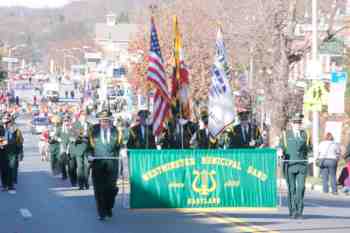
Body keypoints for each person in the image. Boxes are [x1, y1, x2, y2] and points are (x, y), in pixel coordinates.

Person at [88, 109, 122, 220]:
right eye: (102, 121)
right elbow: (89, 146)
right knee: (99, 190)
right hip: (98, 164)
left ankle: (108, 208)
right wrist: (89, 155)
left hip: (112, 164)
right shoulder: (93, 131)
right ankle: (101, 213)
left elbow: (119, 146)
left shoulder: (116, 131)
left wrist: (123, 152)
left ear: (110, 121)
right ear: (99, 121)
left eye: (107, 121)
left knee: (111, 189)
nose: (104, 123)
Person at [278, 113, 311, 219]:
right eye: (295, 123)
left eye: (299, 123)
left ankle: (300, 211)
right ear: (292, 124)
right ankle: (292, 211)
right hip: (290, 165)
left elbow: (309, 149)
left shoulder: (305, 134)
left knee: (301, 188)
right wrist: (280, 151)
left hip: (302, 165)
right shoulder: (285, 134)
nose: (297, 125)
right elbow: (280, 146)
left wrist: (312, 156)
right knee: (292, 189)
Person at [2, 113, 23, 191]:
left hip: (12, 152)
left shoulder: (15, 130)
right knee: (3, 169)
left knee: (11, 168)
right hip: (2, 152)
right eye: (4, 121)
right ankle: (4, 185)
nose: (6, 123)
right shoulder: (1, 128)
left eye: (7, 121)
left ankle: (10, 185)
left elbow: (18, 141)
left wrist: (21, 152)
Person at [69, 124, 90, 190]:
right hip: (78, 150)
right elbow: (71, 137)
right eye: (82, 114)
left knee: (87, 166)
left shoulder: (89, 125)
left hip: (87, 149)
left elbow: (92, 137)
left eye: (85, 114)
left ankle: (86, 182)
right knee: (80, 167)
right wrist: (76, 139)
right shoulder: (74, 125)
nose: (84, 116)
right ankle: (81, 184)